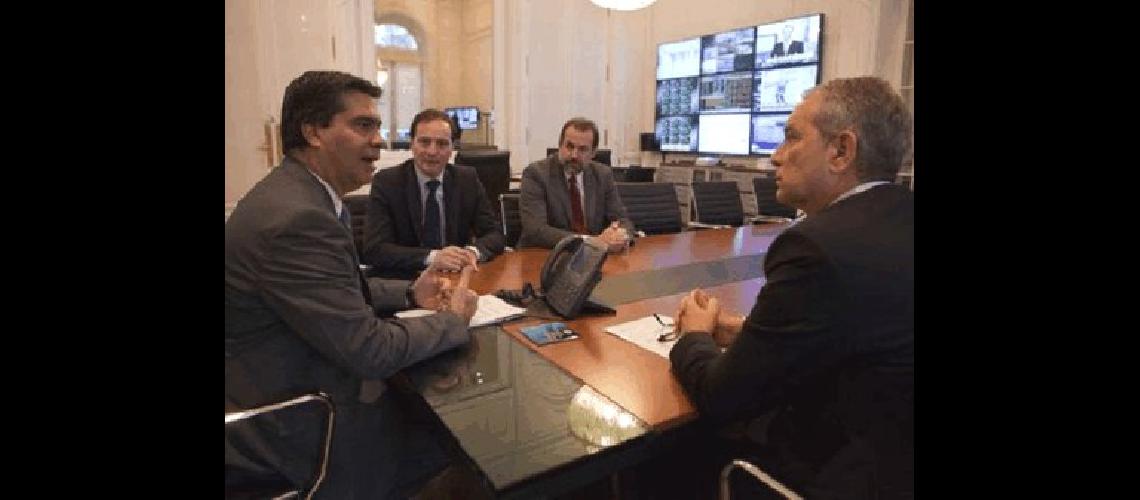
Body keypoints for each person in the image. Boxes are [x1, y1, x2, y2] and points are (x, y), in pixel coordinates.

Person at [225, 70, 480, 499]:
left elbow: (337, 285)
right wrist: (452, 321)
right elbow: (371, 350)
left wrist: (407, 293)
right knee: (465, 438)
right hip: (297, 417)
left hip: (280, 373)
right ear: (313, 132)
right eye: (363, 126)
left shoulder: (299, 194)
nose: (379, 141)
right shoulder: (297, 218)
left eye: (378, 127)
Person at [668, 76, 913, 499]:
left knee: (672, 452)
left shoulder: (817, 247)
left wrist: (694, 334)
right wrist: (749, 332)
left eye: (791, 138)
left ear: (841, 151)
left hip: (829, 477)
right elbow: (859, 334)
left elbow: (722, 396)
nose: (774, 157)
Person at [363, 108, 504, 279]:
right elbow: (375, 249)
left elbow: (494, 234)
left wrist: (472, 252)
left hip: (455, 278)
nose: (432, 152)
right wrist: (434, 257)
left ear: (453, 148)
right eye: (424, 142)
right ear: (412, 144)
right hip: (405, 281)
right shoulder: (387, 182)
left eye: (442, 144)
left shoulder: (467, 180)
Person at [518, 117, 634, 252]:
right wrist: (591, 241)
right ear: (560, 145)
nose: (574, 155)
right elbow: (536, 230)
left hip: (590, 258)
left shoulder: (603, 175)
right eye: (569, 146)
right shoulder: (536, 174)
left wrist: (619, 235)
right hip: (543, 255)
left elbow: (622, 220)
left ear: (593, 153)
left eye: (583, 149)